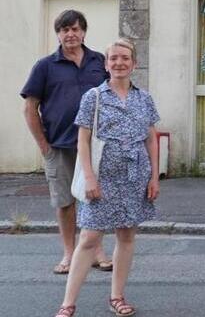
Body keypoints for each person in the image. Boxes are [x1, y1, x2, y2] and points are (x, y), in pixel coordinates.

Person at [53, 39, 160, 317]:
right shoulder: (94, 97)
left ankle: (117, 297)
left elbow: (151, 139)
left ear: (133, 63)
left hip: (135, 176)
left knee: (126, 235)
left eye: (125, 58)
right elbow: (84, 140)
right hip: (102, 178)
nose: (119, 63)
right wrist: (89, 177)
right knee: (89, 237)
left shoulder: (144, 98)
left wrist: (154, 177)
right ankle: (68, 303)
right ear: (106, 63)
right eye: (113, 58)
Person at [21, 9, 112, 275]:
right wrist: (44, 147)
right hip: (59, 145)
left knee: (94, 198)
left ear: (83, 31)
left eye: (75, 29)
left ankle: (96, 251)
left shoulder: (100, 61)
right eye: (64, 30)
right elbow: (30, 108)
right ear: (58, 34)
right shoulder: (45, 66)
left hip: (96, 146)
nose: (70, 34)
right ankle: (70, 254)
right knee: (64, 202)